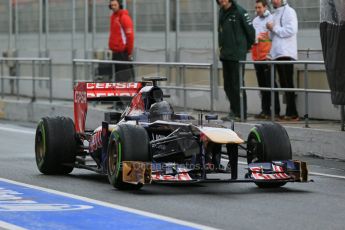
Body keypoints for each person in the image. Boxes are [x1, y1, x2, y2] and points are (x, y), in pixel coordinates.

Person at [216, 0, 255, 121]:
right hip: (225, 54)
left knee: (237, 84)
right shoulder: (221, 12)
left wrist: (243, 48)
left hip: (237, 55)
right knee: (228, 86)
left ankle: (240, 113)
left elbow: (251, 33)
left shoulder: (240, 12)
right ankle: (233, 111)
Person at [266, 0, 299, 120]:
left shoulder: (290, 12)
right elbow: (272, 36)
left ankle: (293, 112)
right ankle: (289, 111)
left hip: (286, 52)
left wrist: (274, 28)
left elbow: (291, 30)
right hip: (277, 54)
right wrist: (270, 29)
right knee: (284, 83)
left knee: (288, 83)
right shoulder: (274, 14)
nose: (273, 1)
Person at [252, 0, 280, 119]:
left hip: (267, 57)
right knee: (262, 86)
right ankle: (265, 110)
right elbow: (253, 37)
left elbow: (272, 37)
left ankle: (276, 111)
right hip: (257, 57)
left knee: (271, 84)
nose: (257, 10)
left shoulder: (271, 19)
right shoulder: (255, 21)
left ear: (265, 7)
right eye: (256, 8)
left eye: (259, 7)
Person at [108, 0, 135, 82]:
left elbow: (130, 36)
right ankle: (119, 94)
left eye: (115, 5)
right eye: (111, 5)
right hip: (115, 52)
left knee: (124, 77)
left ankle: (125, 94)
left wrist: (129, 52)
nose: (113, 7)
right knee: (117, 77)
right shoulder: (113, 17)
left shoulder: (124, 17)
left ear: (119, 5)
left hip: (122, 53)